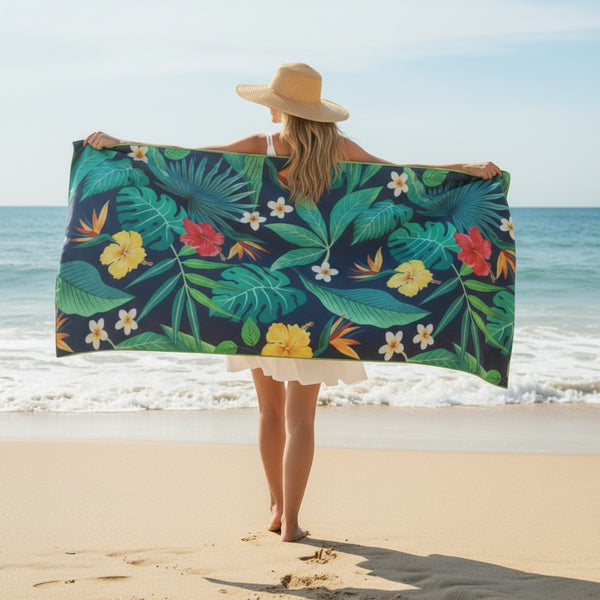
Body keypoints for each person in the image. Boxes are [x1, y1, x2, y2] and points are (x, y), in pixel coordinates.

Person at [84, 62, 502, 542]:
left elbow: (175, 163)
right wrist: (464, 171)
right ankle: (294, 524)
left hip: (260, 305)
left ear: (274, 106)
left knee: (268, 413)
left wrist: (116, 146)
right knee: (302, 419)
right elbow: (409, 182)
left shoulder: (257, 147)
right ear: (320, 112)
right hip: (322, 308)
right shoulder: (341, 151)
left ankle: (277, 509)